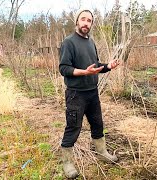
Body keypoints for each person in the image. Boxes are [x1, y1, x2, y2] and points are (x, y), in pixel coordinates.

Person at [59, 8, 120, 178]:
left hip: (92, 93)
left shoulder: (91, 42)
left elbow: (95, 66)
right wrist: (83, 72)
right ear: (77, 21)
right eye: (83, 19)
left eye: (89, 20)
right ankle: (67, 162)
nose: (86, 23)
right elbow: (64, 68)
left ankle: (102, 152)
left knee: (98, 124)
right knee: (74, 127)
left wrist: (108, 66)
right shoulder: (69, 43)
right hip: (75, 94)